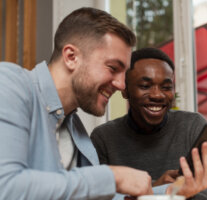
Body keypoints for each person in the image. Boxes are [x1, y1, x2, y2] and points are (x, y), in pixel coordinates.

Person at [0, 7, 154, 199]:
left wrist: (170, 192)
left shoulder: (76, 130)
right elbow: (5, 188)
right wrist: (113, 177)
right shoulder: (9, 84)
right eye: (113, 68)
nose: (122, 85)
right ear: (71, 57)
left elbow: (96, 194)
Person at [91, 47, 207, 200]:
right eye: (145, 86)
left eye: (166, 87)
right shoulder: (104, 138)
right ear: (125, 90)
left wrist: (183, 196)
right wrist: (159, 191)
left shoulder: (192, 126)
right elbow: (97, 195)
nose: (157, 95)